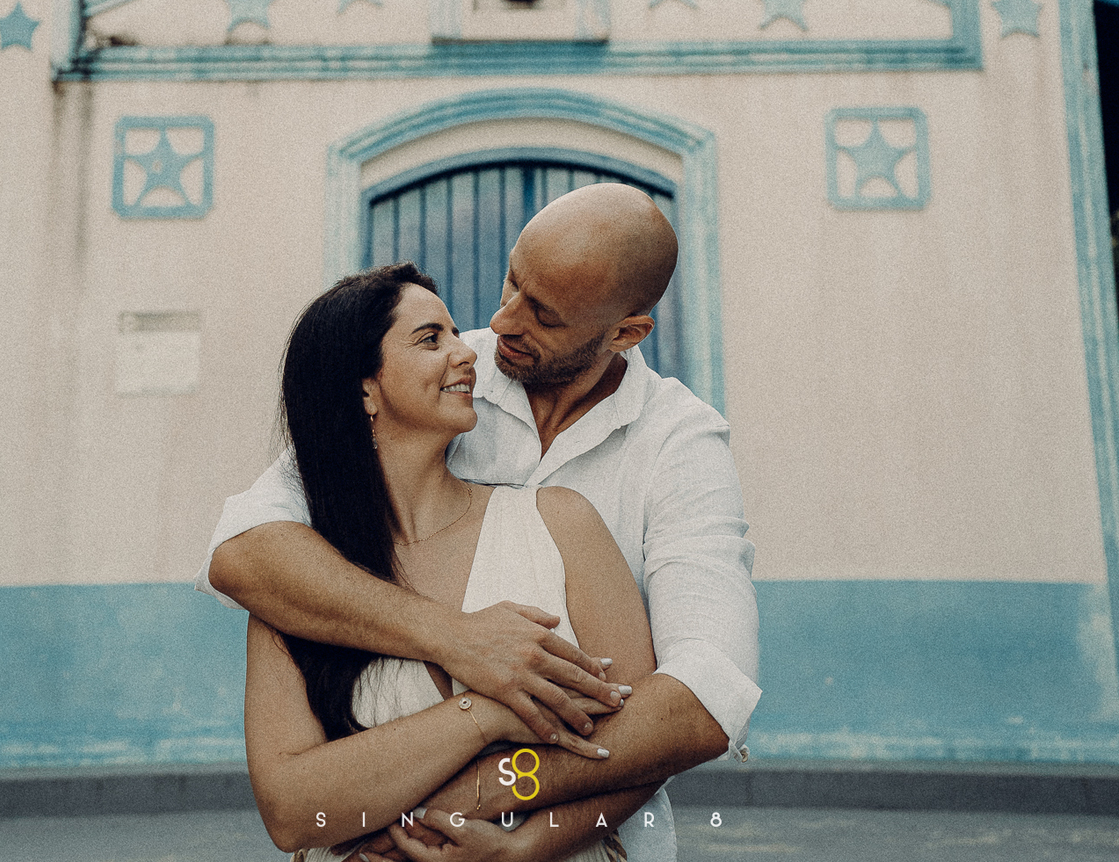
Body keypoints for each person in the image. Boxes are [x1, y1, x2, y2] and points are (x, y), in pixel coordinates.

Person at [202, 184, 759, 862]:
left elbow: (697, 701)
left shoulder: (674, 448)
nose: (497, 325)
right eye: (511, 283)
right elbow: (244, 551)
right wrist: (458, 642)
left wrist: (483, 809)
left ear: (625, 333)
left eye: (543, 315)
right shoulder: (435, 377)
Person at [245, 262, 660, 860]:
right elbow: (290, 812)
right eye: (430, 339)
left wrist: (526, 845)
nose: (468, 354)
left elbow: (638, 748)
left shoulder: (560, 526)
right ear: (364, 387)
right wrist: (485, 713)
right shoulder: (306, 581)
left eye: (456, 334)